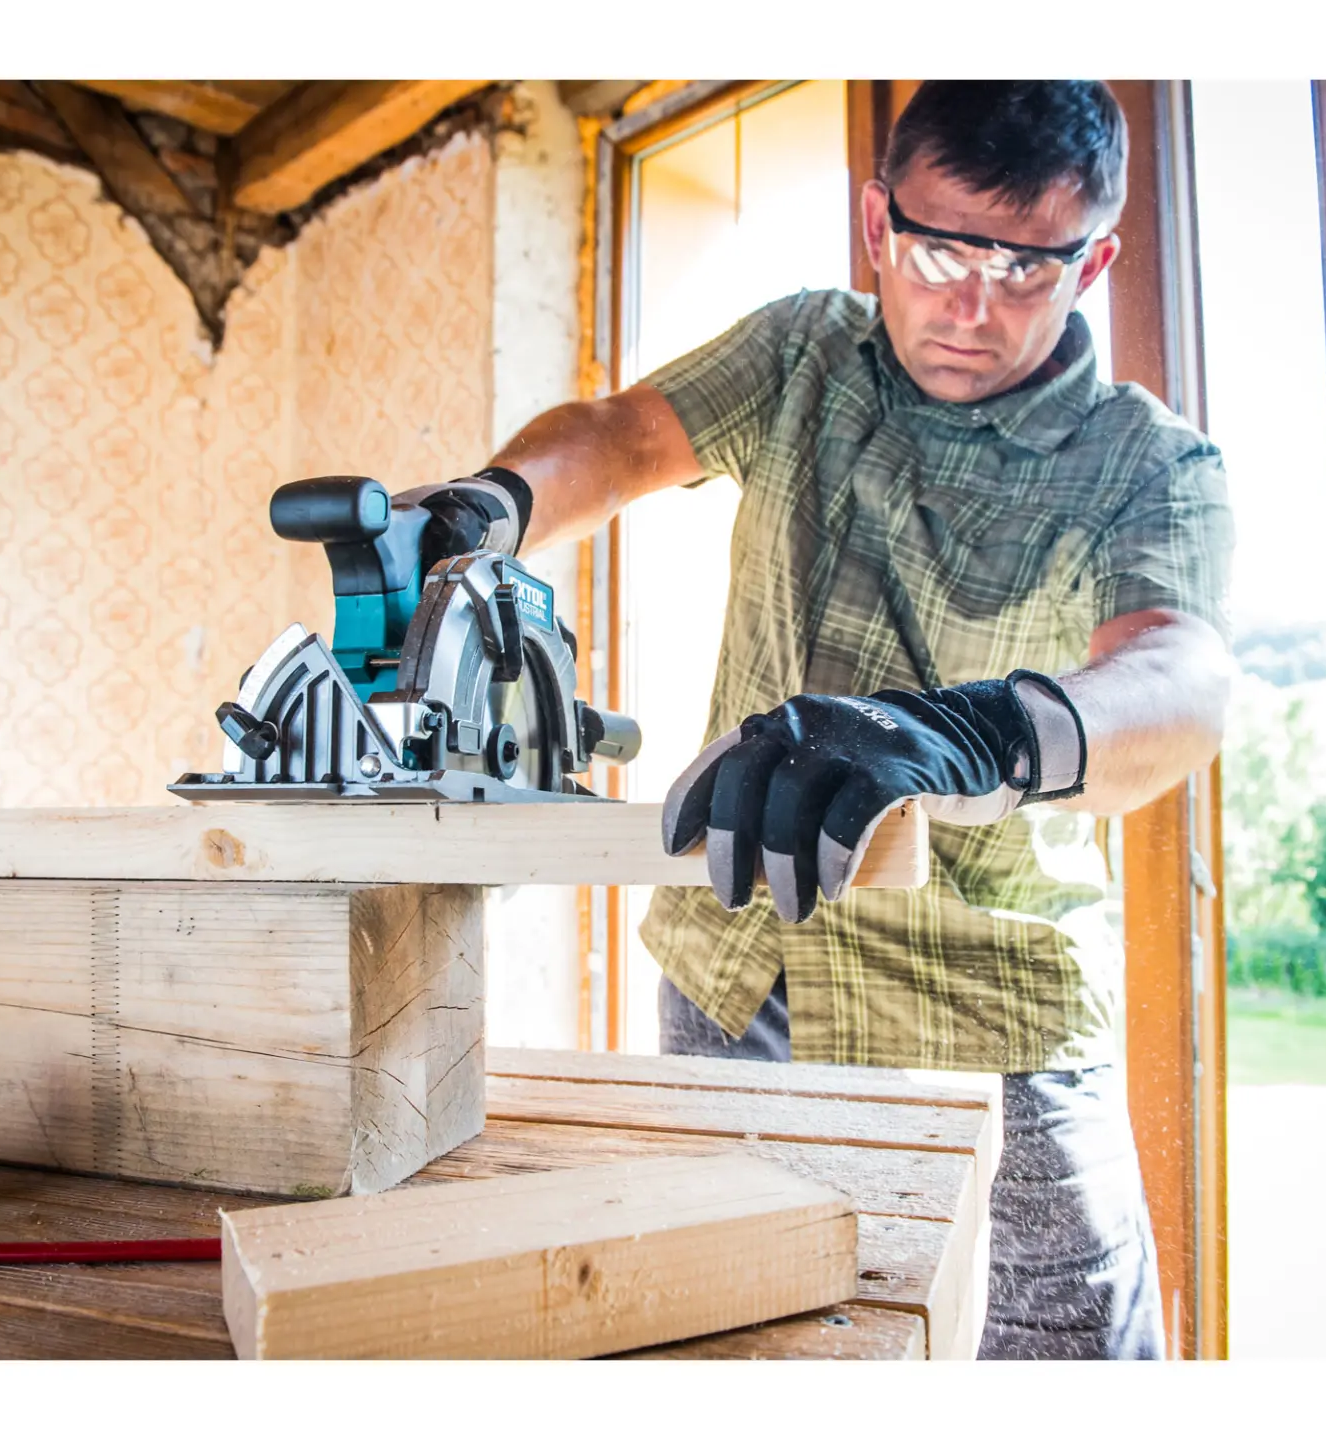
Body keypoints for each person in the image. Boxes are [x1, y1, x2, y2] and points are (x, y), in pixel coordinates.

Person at [404, 80, 1234, 1360]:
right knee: (745, 1336)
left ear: (1097, 260)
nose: (972, 307)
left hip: (989, 1001)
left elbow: (1180, 677)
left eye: (1027, 269)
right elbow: (623, 439)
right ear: (877, 222)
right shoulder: (803, 351)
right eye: (941, 252)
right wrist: (495, 505)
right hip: (740, 958)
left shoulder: (1151, 463)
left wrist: (982, 734)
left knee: (1055, 1352)